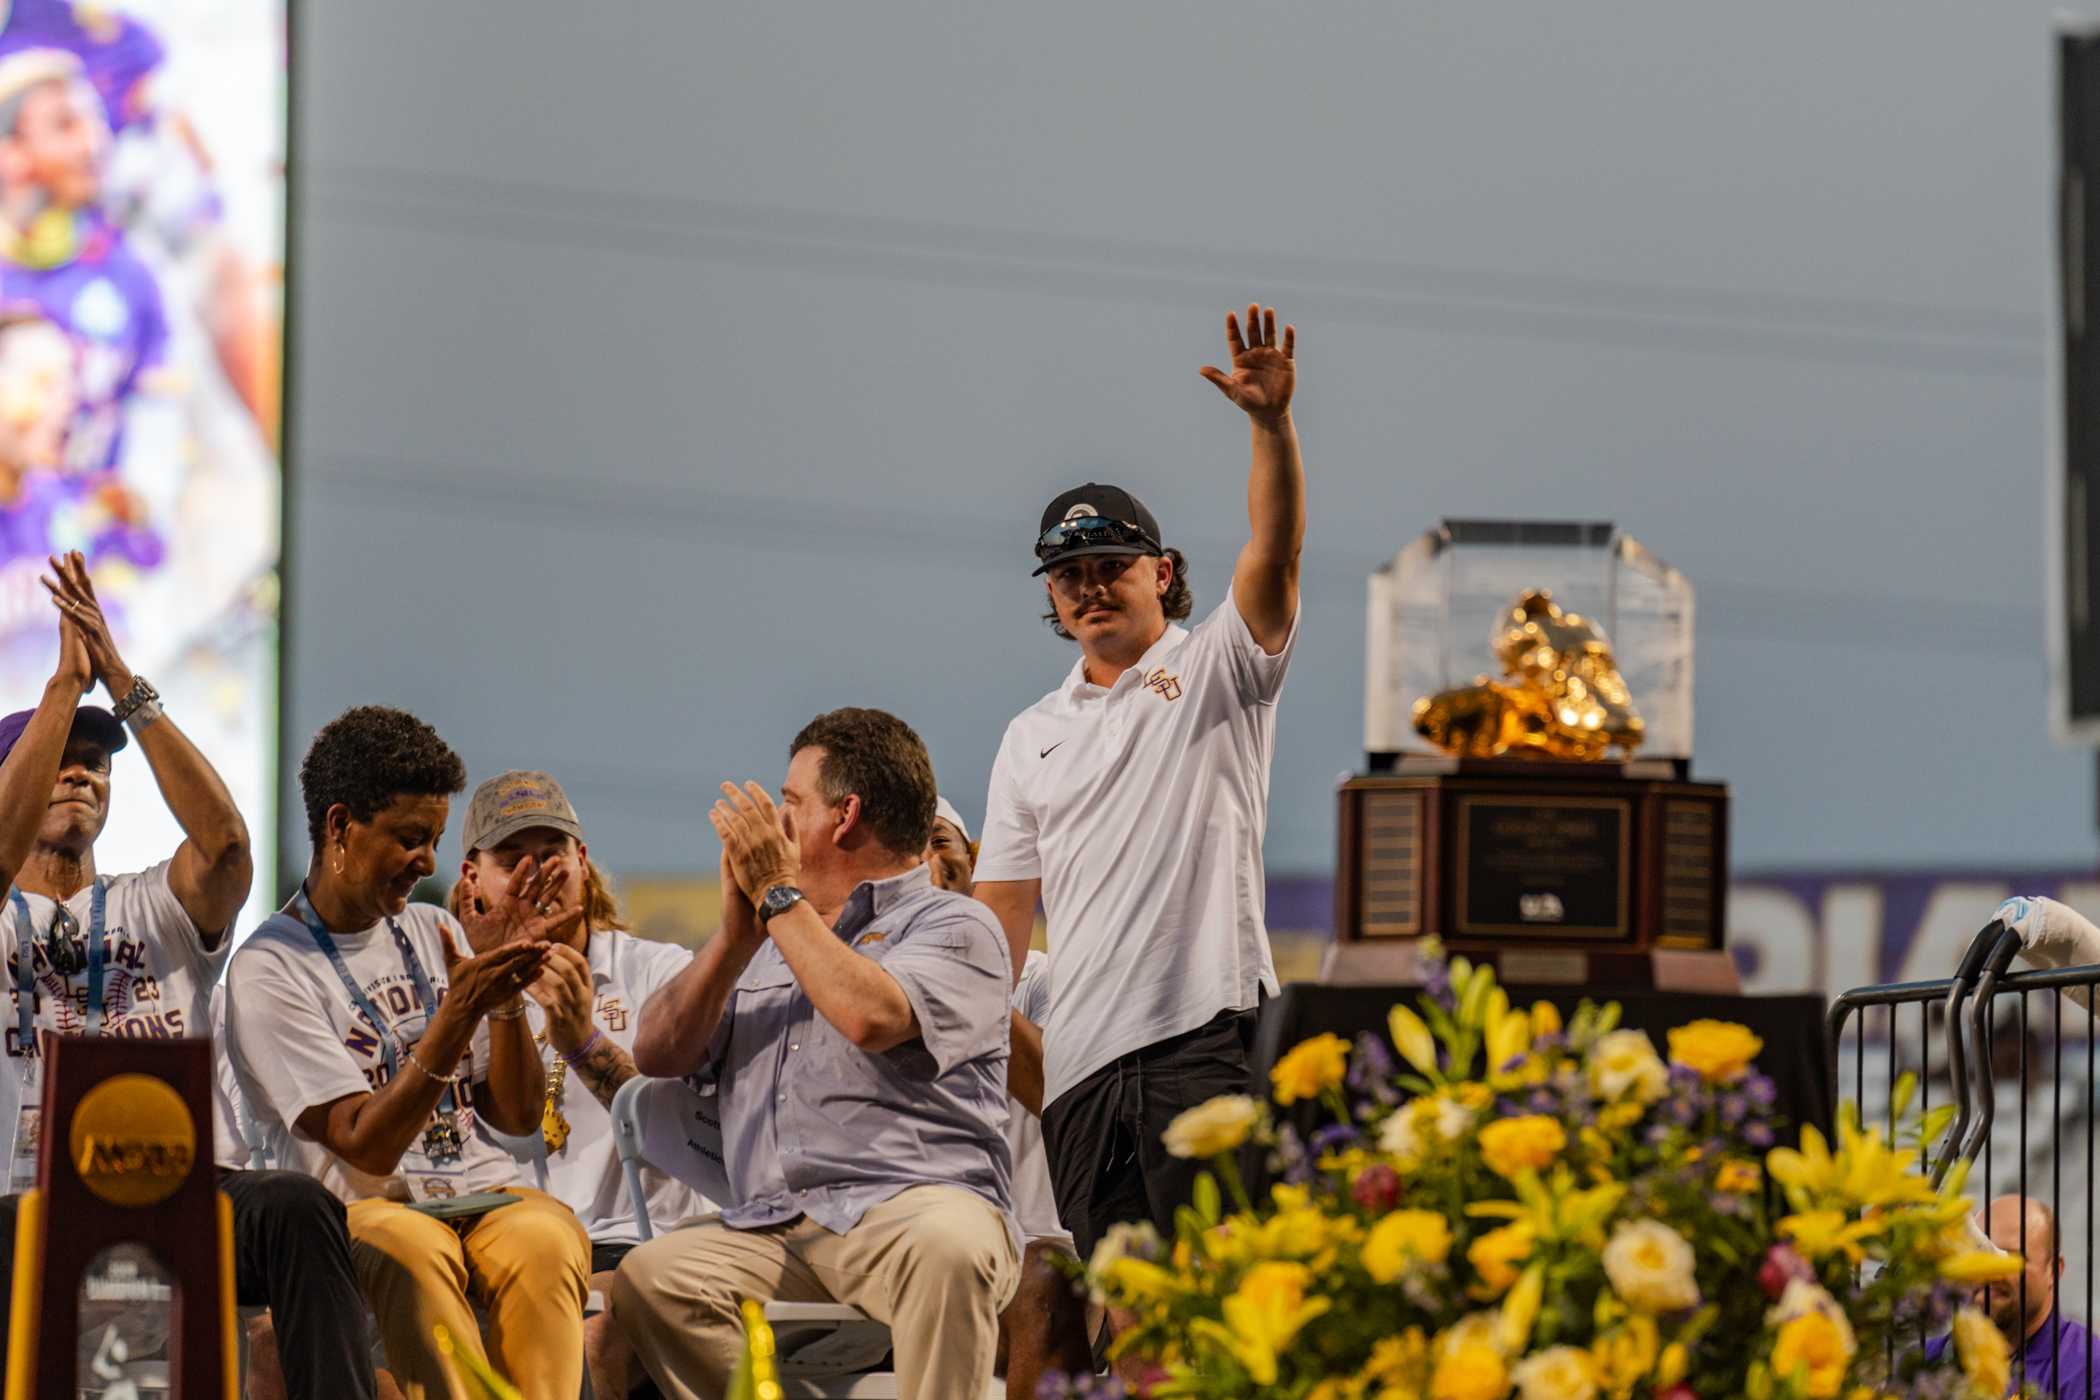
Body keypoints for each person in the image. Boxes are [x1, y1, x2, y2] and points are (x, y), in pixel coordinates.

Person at [0, 551, 381, 1400]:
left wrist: (121, 683)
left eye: (95, 763)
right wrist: (62, 692)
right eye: (58, 756)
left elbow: (228, 849)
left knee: (294, 1208)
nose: (80, 771)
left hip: (172, 1177)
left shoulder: (149, 905)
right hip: (22, 1189)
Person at [971, 303, 1304, 1262]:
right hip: (1079, 1074)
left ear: (1163, 573)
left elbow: (1273, 553)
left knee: (1230, 1298)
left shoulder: (1218, 667)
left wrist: (1270, 427)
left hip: (1205, 1039)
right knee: (1130, 1321)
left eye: (1112, 564)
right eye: (1066, 572)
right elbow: (995, 938)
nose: (1089, 586)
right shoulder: (1028, 734)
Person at [619, 707, 1017, 1400]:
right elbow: (656, 1053)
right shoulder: (768, 933)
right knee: (653, 1279)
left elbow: (871, 1015)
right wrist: (737, 940)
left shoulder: (956, 924)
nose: (776, 821)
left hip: (913, 1211)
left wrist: (778, 897)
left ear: (846, 813)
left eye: (793, 802)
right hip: (773, 1225)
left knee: (949, 1250)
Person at [222, 705, 592, 1400]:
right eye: (409, 838)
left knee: (546, 1237)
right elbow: (365, 1145)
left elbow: (514, 1118)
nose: (427, 861)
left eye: (436, 841)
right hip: (366, 1208)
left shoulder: (433, 928)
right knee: (414, 1254)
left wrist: (504, 986)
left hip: (479, 1191)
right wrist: (456, 1012)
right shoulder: (270, 967)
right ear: (340, 827)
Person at [451, 768, 708, 1399]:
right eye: (512, 859)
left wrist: (585, 1043)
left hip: (629, 1246)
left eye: (552, 854)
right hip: (496, 1253)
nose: (536, 875)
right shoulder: (446, 989)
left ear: (583, 861)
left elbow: (689, 1140)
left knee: (590, 1335)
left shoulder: (658, 972)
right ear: (472, 878)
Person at [924, 796, 1094, 1399]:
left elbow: (1056, 1091)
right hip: (911, 1241)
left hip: (1026, 1246)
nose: (925, 860)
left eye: (938, 841)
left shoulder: (1041, 978)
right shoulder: (864, 982)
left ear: (974, 862)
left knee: (1043, 1276)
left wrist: (964, 966)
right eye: (907, 848)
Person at [1926, 1195, 2094, 1397]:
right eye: (1980, 1253)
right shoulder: (1926, 1360)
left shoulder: (2088, 1369)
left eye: (2012, 1258)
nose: (1992, 1270)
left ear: (2053, 1271)